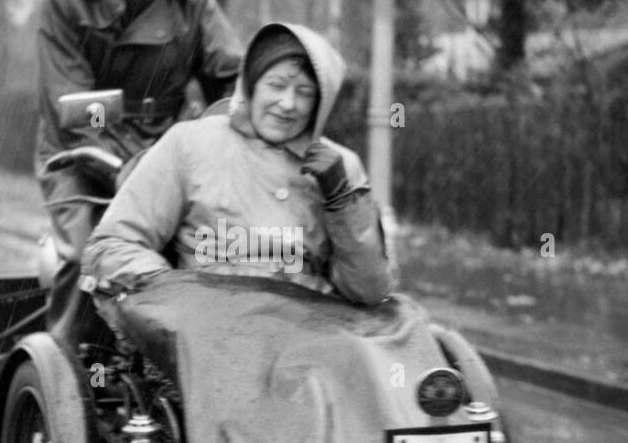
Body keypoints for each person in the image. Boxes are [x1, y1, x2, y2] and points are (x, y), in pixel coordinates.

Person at [34, 0, 242, 347]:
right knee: (87, 252)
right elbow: (69, 103)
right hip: (80, 154)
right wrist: (129, 164)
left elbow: (231, 77)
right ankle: (66, 375)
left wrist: (230, 132)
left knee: (223, 243)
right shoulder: (66, 2)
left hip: (165, 146)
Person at [82, 21, 395, 304]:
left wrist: (343, 202)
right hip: (204, 339)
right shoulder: (189, 144)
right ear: (251, 84)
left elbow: (369, 292)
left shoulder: (341, 167)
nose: (288, 104)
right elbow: (112, 245)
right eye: (276, 85)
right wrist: (172, 296)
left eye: (305, 92)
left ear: (320, 104)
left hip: (305, 349)